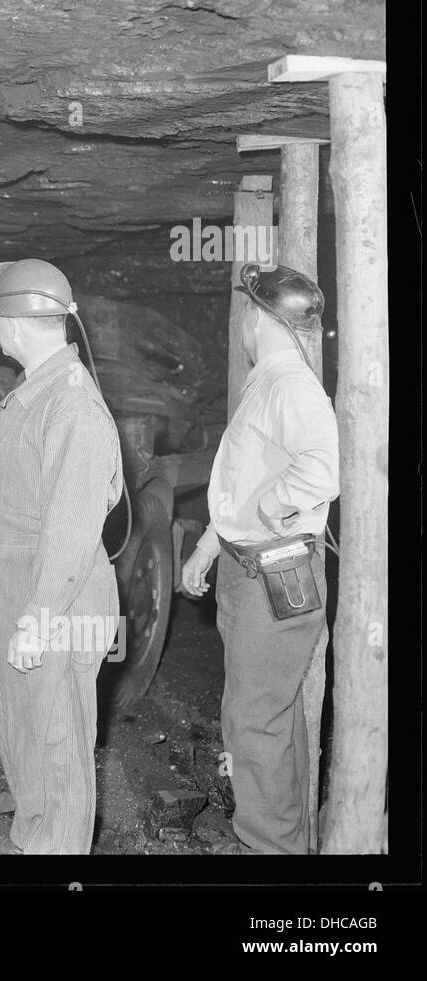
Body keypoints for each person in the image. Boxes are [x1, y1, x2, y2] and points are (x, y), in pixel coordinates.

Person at [182, 263, 338, 855]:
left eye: (248, 309)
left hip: (272, 575)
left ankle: (266, 853)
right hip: (251, 570)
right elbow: (245, 474)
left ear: (261, 318)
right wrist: (207, 543)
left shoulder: (290, 386)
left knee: (253, 722)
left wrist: (274, 506)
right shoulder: (269, 380)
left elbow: (323, 469)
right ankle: (288, 844)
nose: (243, 320)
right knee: (269, 716)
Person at [0, 259, 123, 854]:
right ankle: (30, 840)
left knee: (59, 748)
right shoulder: (35, 392)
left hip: (55, 603)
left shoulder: (72, 404)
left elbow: (71, 524)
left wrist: (39, 615)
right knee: (23, 730)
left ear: (18, 320)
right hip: (19, 595)